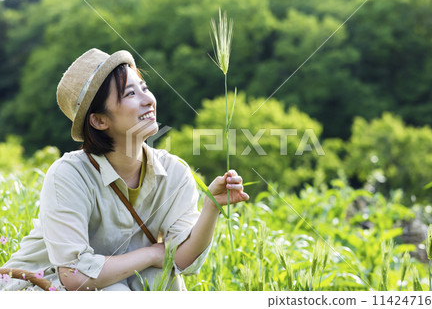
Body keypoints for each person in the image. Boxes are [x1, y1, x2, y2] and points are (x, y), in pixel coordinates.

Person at [1, 48, 249, 291]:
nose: (148, 100)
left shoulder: (175, 172)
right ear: (99, 120)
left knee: (160, 278)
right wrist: (153, 253)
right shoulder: (68, 175)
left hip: (116, 285)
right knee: (116, 290)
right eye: (130, 93)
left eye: (144, 88)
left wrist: (211, 207)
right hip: (39, 286)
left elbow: (180, 260)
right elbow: (74, 276)